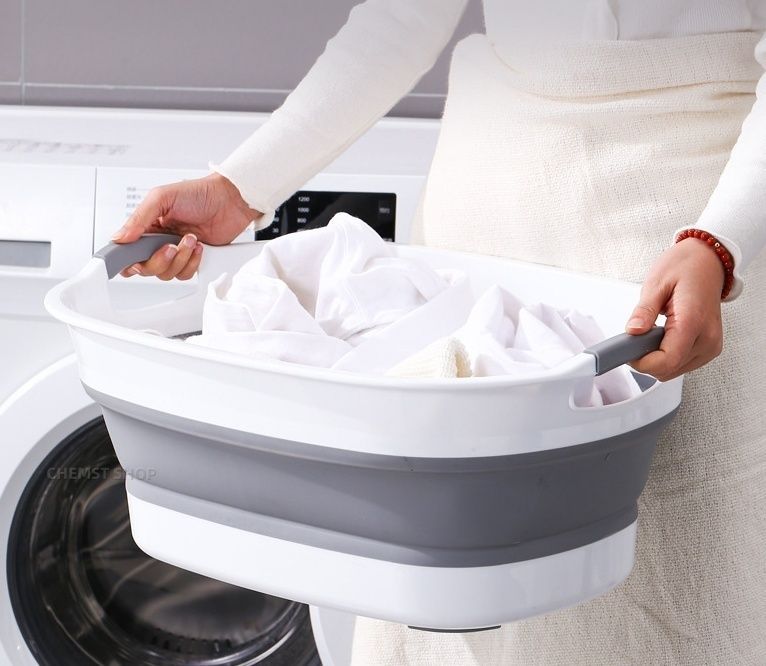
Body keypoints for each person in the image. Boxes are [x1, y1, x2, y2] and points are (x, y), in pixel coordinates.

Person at [112, 1, 766, 663]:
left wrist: (722, 241)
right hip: (483, 213)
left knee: (677, 577)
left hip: (686, 230)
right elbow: (403, 16)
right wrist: (241, 187)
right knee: (443, 592)